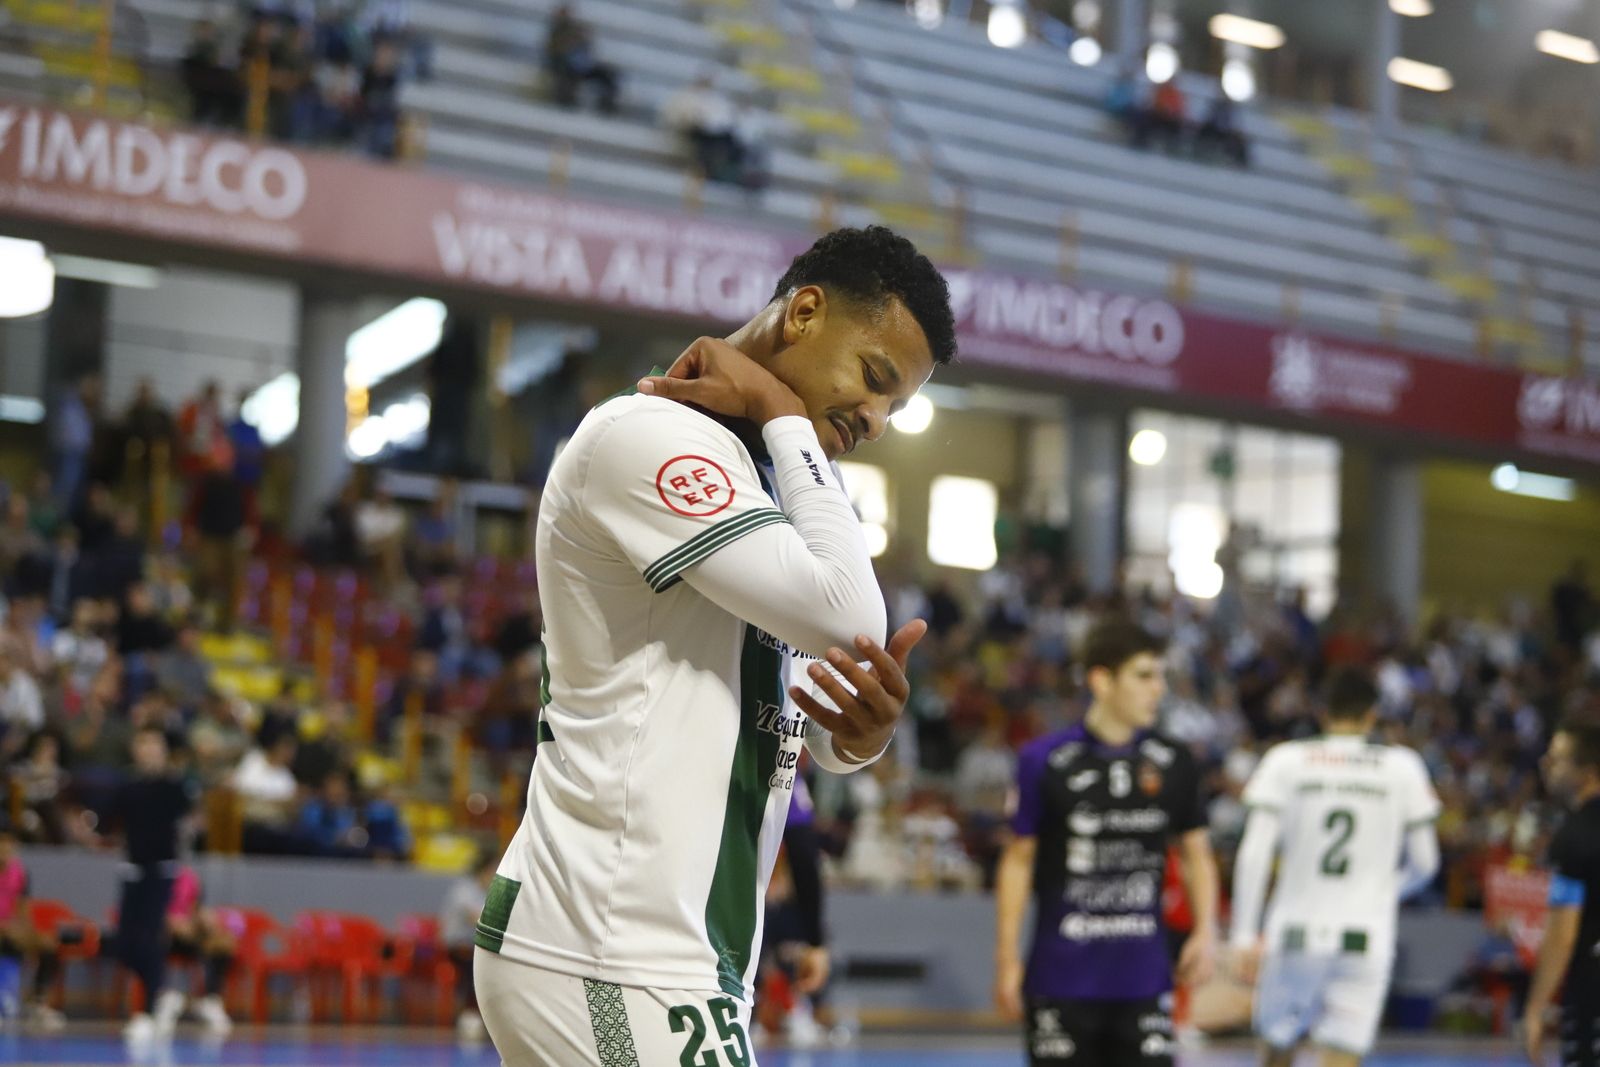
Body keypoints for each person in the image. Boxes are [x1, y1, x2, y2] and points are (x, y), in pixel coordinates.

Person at [472, 226, 955, 1066]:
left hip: (675, 953)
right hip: (609, 941)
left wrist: (855, 736)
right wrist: (780, 413)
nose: (876, 420)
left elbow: (803, 679)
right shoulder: (648, 434)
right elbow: (850, 616)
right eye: (876, 381)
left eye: (896, 409)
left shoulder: (767, 476)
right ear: (804, 312)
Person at [994, 618, 1219, 1067]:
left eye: (1160, 676)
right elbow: (1018, 862)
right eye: (1143, 676)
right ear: (1101, 680)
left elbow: (1197, 854)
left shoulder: (1174, 762)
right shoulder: (1044, 760)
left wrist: (1206, 930)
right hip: (1060, 977)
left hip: (1143, 978)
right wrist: (1006, 958)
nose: (1158, 689)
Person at [1228, 668, 1441, 1067]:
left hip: (1294, 935)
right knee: (1342, 1056)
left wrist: (1243, 934)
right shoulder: (1402, 766)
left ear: (1321, 712)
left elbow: (1255, 852)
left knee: (1277, 1049)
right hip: (1365, 936)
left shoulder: (1286, 760)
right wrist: (1385, 890)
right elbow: (1426, 863)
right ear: (1372, 715)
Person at [113, 727, 198, 1044]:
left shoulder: (173, 786)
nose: (147, 750)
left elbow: (189, 817)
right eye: (142, 744)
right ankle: (163, 993)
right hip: (132, 868)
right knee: (124, 943)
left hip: (161, 870)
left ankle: (148, 1010)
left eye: (153, 745)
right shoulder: (128, 786)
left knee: (151, 938)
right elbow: (111, 820)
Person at [1523, 714, 1600, 1067]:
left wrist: (1535, 1009)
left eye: (1556, 759)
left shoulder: (1576, 836)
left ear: (1586, 772)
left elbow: (1562, 934)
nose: (1545, 765)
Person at [0, 821, 67, 1029]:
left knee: (48, 946)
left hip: (11, 931)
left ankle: (37, 1005)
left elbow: (23, 912)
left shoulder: (20, 873)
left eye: (10, 845)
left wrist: (30, 935)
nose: (6, 850)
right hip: (4, 930)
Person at [162, 865, 234, 1035]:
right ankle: (165, 1000)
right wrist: (171, 922)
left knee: (222, 945)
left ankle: (211, 1000)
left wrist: (206, 921)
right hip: (162, 936)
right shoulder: (158, 877)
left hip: (190, 934)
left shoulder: (188, 878)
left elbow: (196, 907)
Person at [440, 851, 498, 1043]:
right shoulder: (464, 890)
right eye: (494, 870)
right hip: (457, 947)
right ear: (484, 869)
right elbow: (478, 919)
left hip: (478, 947)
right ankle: (470, 1014)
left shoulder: (489, 892)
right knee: (476, 966)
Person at [544, 3, 619, 114]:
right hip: (565, 65)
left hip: (582, 65)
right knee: (568, 72)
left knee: (608, 74)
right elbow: (553, 51)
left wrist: (584, 41)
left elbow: (587, 50)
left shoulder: (577, 30)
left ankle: (606, 106)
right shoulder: (555, 32)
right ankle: (565, 102)